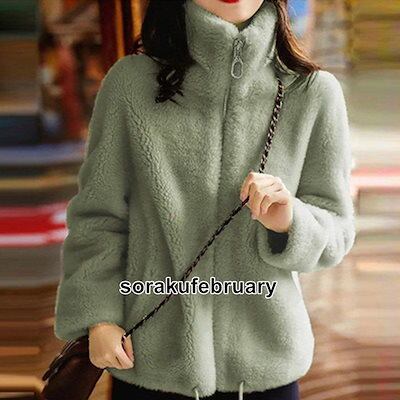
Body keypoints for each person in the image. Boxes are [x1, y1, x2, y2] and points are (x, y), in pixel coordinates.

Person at [53, 0, 356, 399]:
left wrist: (289, 221)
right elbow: (99, 217)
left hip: (264, 366)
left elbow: (337, 229)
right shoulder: (130, 83)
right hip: (148, 359)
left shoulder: (313, 92)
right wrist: (99, 316)